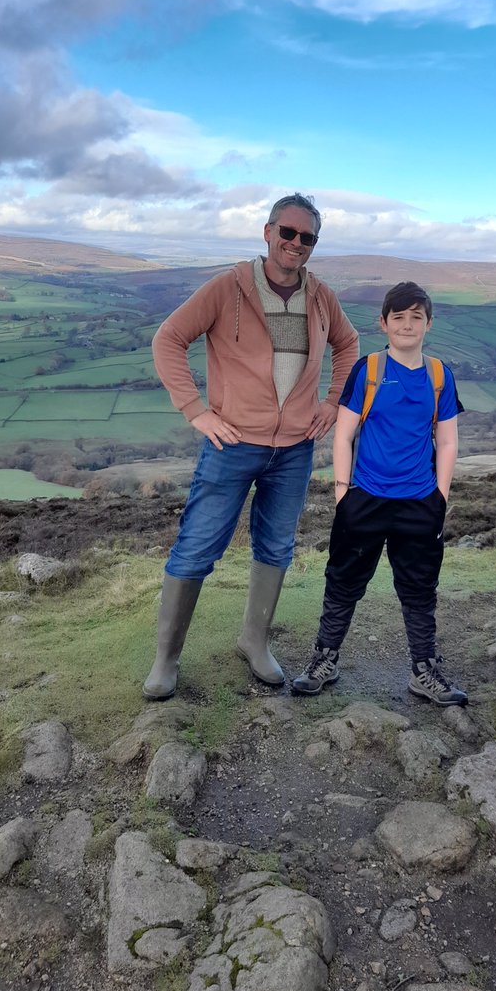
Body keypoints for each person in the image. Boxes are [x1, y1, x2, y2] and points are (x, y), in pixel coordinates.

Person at [143, 193, 359, 700]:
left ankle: (254, 642)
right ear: (267, 233)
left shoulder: (322, 296)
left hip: (294, 448)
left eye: (307, 238)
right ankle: (165, 660)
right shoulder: (228, 288)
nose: (296, 244)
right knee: (197, 546)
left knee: (277, 546)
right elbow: (168, 338)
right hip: (233, 442)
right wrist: (195, 410)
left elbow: (347, 345)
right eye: (288, 233)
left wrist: (332, 401)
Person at [292, 281, 468, 706]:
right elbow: (344, 433)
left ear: (429, 323)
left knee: (419, 588)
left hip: (419, 502)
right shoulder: (368, 370)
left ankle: (423, 670)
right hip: (365, 499)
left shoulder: (440, 376)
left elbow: (446, 441)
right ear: (384, 323)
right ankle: (325, 659)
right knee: (343, 582)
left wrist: (439, 498)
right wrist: (342, 494)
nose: (407, 325)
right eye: (399, 317)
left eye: (416, 317)